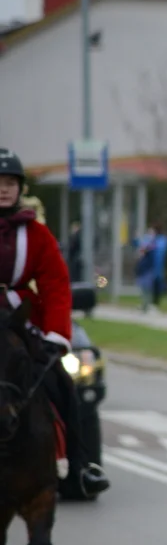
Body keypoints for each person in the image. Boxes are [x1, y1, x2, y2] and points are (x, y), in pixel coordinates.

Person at [0, 148, 110, 497]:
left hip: (20, 320)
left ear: (20, 189)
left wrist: (56, 337)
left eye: (10, 183)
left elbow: (56, 286)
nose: (3, 189)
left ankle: (79, 467)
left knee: (64, 384)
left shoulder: (36, 234)